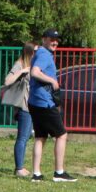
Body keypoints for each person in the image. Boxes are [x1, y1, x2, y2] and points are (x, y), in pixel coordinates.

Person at [27, 28, 76, 183]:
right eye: (51, 39)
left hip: (35, 100)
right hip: (43, 101)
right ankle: (59, 173)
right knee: (61, 135)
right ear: (44, 39)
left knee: (40, 137)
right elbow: (35, 72)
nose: (54, 42)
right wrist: (52, 81)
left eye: (56, 40)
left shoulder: (40, 53)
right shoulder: (44, 54)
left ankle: (36, 174)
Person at [4, 41, 36, 177]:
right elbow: (7, 81)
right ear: (29, 52)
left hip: (31, 106)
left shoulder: (33, 65)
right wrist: (22, 71)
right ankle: (19, 168)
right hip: (24, 106)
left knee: (26, 136)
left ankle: (21, 167)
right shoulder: (20, 64)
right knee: (22, 137)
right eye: (35, 51)